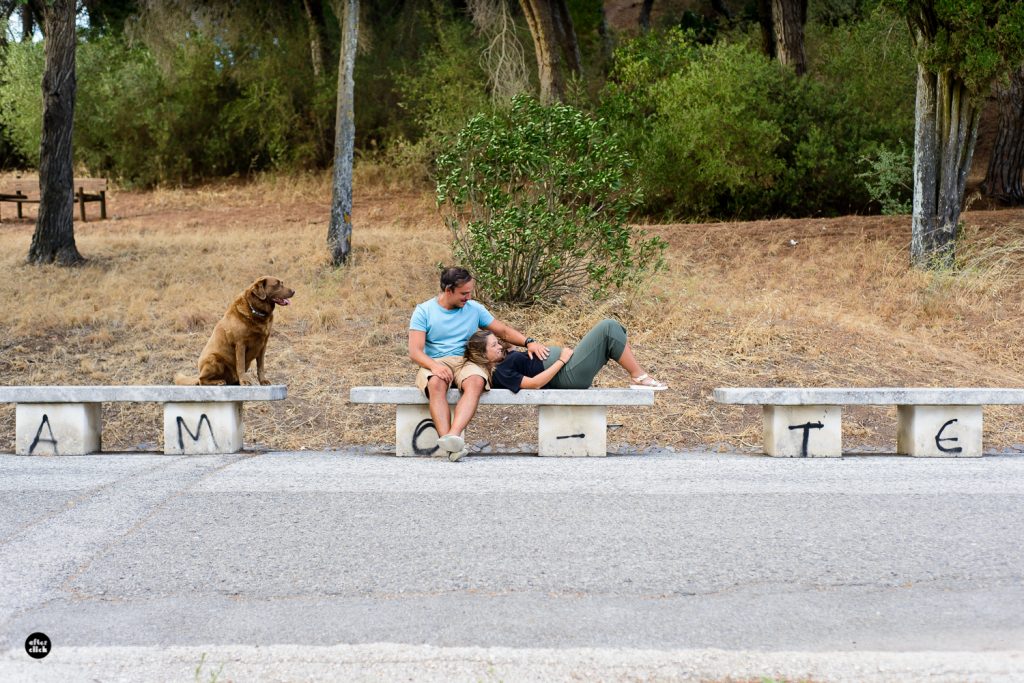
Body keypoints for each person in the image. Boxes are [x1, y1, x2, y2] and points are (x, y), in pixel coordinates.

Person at [408, 266, 549, 461]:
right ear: (448, 290)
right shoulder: (424, 311)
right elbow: (415, 351)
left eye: (470, 292)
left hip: (467, 361)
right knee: (435, 383)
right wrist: (434, 367)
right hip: (436, 362)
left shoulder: (474, 309)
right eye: (463, 293)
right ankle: (449, 445)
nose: (468, 297)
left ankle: (453, 436)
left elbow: (504, 331)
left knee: (476, 381)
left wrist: (529, 342)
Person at [464, 319, 667, 393]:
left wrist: (510, 345)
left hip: (567, 370)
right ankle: (639, 376)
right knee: (608, 327)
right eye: (493, 345)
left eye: (497, 342)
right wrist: (561, 360)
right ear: (483, 354)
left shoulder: (502, 359)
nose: (498, 346)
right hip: (567, 375)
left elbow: (506, 334)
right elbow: (534, 383)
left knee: (616, 333)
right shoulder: (500, 372)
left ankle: (638, 376)